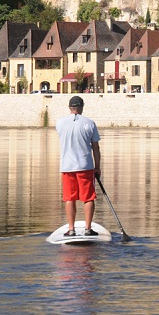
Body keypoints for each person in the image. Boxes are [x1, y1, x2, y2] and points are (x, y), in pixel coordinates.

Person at [56, 96, 101, 236]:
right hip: (85, 165)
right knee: (88, 198)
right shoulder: (90, 123)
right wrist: (97, 167)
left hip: (67, 166)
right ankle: (88, 229)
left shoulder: (59, 123)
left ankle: (71, 229)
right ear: (81, 107)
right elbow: (96, 148)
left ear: (70, 107)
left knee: (69, 198)